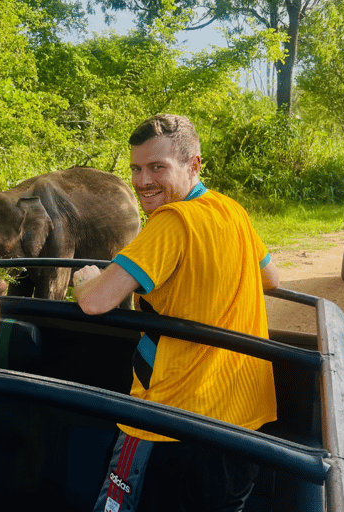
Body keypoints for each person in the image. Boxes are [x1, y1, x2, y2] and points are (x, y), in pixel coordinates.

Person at [72, 114, 280, 512]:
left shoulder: (171, 222)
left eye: (157, 168)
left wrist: (86, 280)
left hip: (169, 419)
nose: (143, 181)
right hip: (243, 421)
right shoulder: (232, 211)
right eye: (136, 168)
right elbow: (270, 277)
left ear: (194, 165)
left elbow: (95, 301)